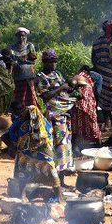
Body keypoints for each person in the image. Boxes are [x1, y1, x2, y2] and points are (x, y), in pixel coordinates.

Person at [8, 105, 63, 201]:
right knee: (52, 173)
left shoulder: (22, 123)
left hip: (27, 155)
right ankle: (59, 196)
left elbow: (12, 133)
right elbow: (50, 135)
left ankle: (23, 195)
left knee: (23, 174)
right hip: (42, 155)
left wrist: (16, 143)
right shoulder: (43, 122)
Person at [36, 49, 74, 186]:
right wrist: (61, 88)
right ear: (44, 62)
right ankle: (52, 181)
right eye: (51, 62)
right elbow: (45, 96)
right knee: (52, 148)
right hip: (52, 116)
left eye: (55, 62)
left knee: (63, 147)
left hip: (63, 115)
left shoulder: (57, 74)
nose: (54, 64)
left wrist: (71, 88)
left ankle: (61, 181)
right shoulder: (40, 77)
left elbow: (65, 89)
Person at [70, 67, 102, 153]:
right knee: (93, 125)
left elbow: (73, 86)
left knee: (76, 127)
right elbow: (97, 93)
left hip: (78, 105)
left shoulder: (78, 76)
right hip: (88, 104)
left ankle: (75, 148)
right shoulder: (93, 77)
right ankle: (99, 147)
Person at [91, 21, 112, 129]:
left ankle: (107, 122)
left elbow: (93, 59)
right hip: (111, 73)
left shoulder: (97, 42)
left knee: (103, 99)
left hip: (100, 72)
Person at [9, 27, 38, 109]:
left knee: (31, 98)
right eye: (19, 36)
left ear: (26, 36)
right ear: (16, 36)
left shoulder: (29, 46)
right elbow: (11, 60)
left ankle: (32, 115)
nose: (21, 38)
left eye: (23, 36)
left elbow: (33, 59)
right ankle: (19, 115)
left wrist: (23, 60)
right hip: (18, 76)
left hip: (29, 76)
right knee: (19, 98)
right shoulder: (12, 48)